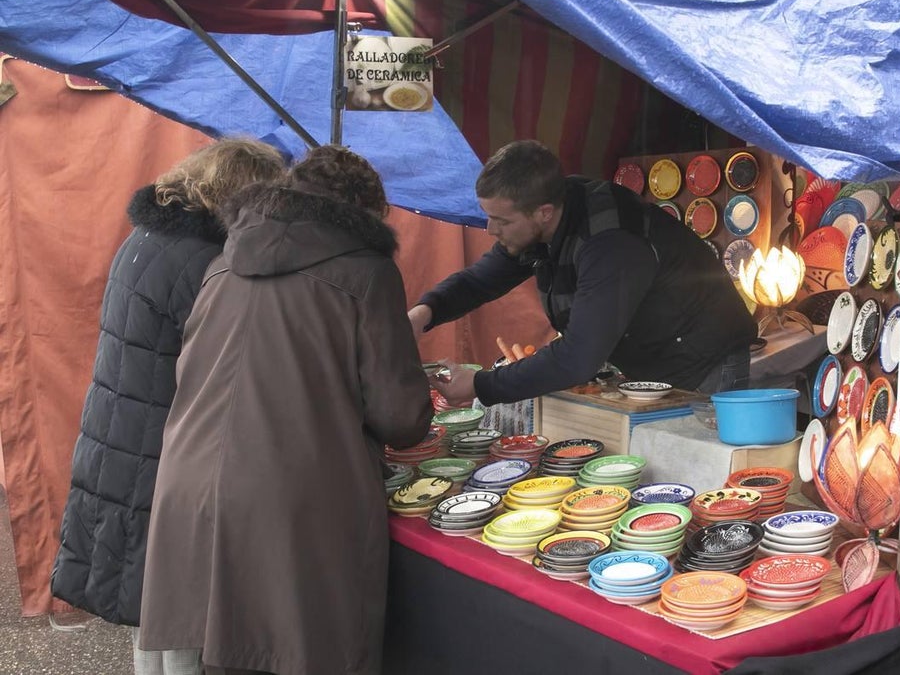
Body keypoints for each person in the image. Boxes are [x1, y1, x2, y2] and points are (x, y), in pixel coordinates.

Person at [137, 145, 432, 675]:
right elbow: (401, 416)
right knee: (303, 653)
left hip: (190, 484)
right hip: (294, 499)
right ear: (363, 212)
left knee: (223, 658)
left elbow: (192, 372)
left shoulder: (222, 261)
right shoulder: (367, 273)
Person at [50, 138, 287, 675]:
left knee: (150, 602)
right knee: (181, 607)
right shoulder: (205, 260)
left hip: (120, 436)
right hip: (162, 446)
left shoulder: (147, 236)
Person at [408, 139, 757, 407]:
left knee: (694, 467)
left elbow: (578, 356)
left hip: (705, 362)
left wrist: (479, 385)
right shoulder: (546, 217)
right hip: (653, 358)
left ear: (543, 212)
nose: (489, 229)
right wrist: (425, 312)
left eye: (501, 221)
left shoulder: (610, 242)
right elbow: (478, 280)